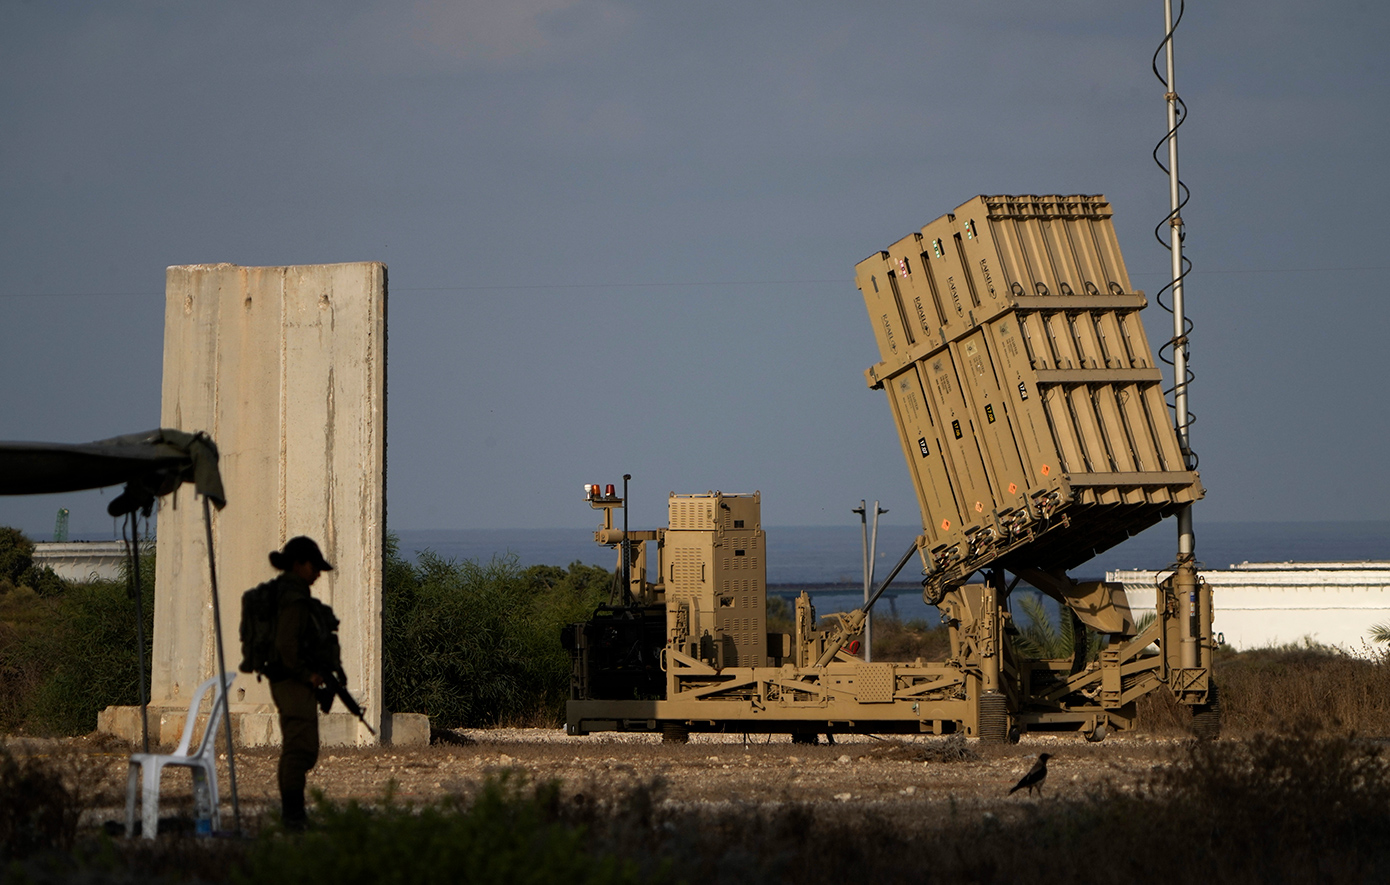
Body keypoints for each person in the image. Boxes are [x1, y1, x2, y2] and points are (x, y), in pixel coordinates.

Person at [265, 536, 335, 829]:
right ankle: (292, 816)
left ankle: (294, 814)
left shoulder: (290, 594)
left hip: (291, 680)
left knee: (303, 747)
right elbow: (287, 648)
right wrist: (308, 675)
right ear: (298, 565)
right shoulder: (292, 599)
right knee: (299, 749)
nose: (318, 573)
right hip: (291, 681)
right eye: (313, 566)